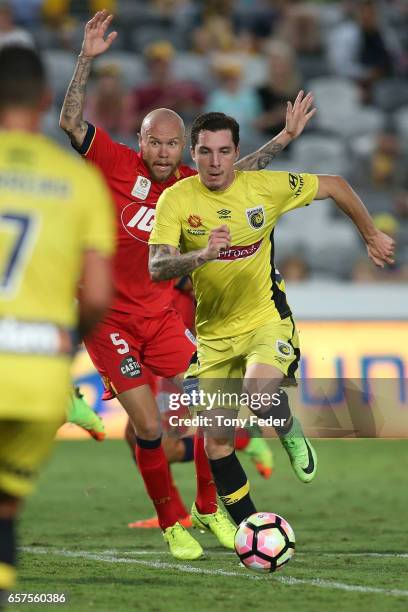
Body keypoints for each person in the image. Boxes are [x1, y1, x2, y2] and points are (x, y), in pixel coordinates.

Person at [59, 9, 316, 560]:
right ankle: (172, 520)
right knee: (149, 428)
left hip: (159, 315)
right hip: (108, 318)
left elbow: (239, 167)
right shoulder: (113, 161)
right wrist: (85, 59)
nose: (163, 152)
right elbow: (70, 123)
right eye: (155, 142)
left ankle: (208, 507)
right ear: (141, 139)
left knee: (213, 412)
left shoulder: (187, 184)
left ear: (184, 149)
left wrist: (285, 137)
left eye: (174, 144)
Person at [148, 111, 395, 526]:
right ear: (193, 154)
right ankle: (252, 531)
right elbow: (158, 267)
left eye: (224, 152)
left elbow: (334, 184)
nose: (214, 161)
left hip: (266, 319)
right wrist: (202, 255)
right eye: (205, 152)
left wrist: (370, 234)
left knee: (259, 392)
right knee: (217, 444)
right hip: (212, 336)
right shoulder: (176, 199)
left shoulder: (264, 187)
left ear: (236, 153)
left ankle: (290, 433)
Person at [0, 45, 114, 602]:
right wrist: (61, 341)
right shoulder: (79, 184)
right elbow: (97, 294)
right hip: (39, 376)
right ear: (46, 101)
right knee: (5, 510)